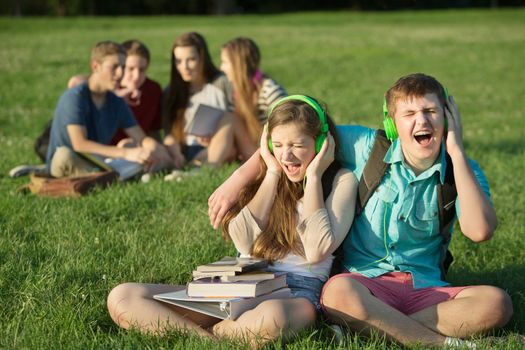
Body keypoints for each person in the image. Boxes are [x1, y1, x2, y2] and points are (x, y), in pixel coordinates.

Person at [207, 73, 513, 347]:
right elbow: (299, 136)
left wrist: (456, 152)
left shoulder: (462, 171)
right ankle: (438, 343)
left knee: (496, 303)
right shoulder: (368, 148)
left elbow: (480, 231)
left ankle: (370, 328)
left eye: (431, 111)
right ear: (393, 123)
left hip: (425, 289)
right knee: (338, 295)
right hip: (363, 285)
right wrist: (239, 176)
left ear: (446, 118)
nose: (422, 121)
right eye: (409, 114)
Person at [106, 95, 357, 346]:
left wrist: (313, 177)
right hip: (244, 281)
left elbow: (316, 251)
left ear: (321, 142)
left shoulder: (340, 180)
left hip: (296, 294)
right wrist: (271, 174)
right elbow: (243, 241)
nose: (286, 155)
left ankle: (192, 332)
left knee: (274, 318)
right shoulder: (269, 172)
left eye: (297, 145)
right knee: (123, 296)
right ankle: (213, 339)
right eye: (278, 145)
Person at [45, 41, 164, 178]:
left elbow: (140, 137)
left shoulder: (116, 101)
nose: (120, 73)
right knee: (65, 156)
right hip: (66, 161)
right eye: (114, 67)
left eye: (123, 67)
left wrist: (153, 150)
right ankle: (110, 177)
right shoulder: (75, 97)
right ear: (96, 66)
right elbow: (79, 144)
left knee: (137, 159)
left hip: (98, 162)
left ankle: (108, 176)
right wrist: (126, 153)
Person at [162, 32, 235, 168]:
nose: (184, 67)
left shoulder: (222, 83)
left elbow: (236, 122)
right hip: (184, 149)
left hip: (221, 145)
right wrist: (176, 153)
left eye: (191, 60)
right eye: (178, 61)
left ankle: (202, 167)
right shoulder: (170, 92)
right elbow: (168, 133)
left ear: (202, 58)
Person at [220, 37, 287, 160]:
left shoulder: (270, 91)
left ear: (238, 65)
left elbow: (288, 128)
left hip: (267, 154)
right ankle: (195, 167)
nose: (221, 68)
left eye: (225, 62)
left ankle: (205, 166)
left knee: (229, 119)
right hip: (249, 150)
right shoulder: (235, 92)